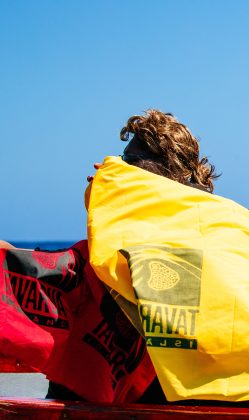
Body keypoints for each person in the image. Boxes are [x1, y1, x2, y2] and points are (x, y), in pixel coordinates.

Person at [1, 109, 218, 403]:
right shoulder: (106, 252)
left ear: (161, 175)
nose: (106, 165)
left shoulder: (120, 255)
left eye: (128, 161)